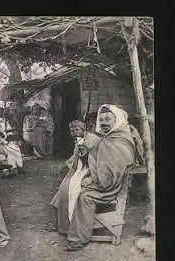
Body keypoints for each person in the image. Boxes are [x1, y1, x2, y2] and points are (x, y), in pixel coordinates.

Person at [65, 105, 136, 251]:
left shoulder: (119, 140)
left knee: (85, 195)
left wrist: (93, 179)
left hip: (111, 185)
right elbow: (101, 161)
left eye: (108, 119)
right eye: (101, 119)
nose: (104, 122)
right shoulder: (111, 137)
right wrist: (87, 155)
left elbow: (109, 172)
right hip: (108, 179)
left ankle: (79, 239)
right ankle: (78, 230)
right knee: (76, 185)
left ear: (117, 120)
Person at [50, 120, 101, 233]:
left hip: (91, 169)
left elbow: (97, 158)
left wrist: (85, 153)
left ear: (83, 129)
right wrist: (67, 164)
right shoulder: (79, 140)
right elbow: (75, 156)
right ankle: (62, 222)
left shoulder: (92, 139)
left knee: (68, 188)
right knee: (64, 188)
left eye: (77, 130)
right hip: (80, 167)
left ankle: (69, 224)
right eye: (72, 131)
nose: (74, 133)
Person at [0, 107, 25, 174]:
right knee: (7, 153)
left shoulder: (0, 124)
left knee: (15, 148)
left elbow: (4, 134)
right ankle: (10, 169)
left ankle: (19, 167)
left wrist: (2, 135)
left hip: (2, 142)